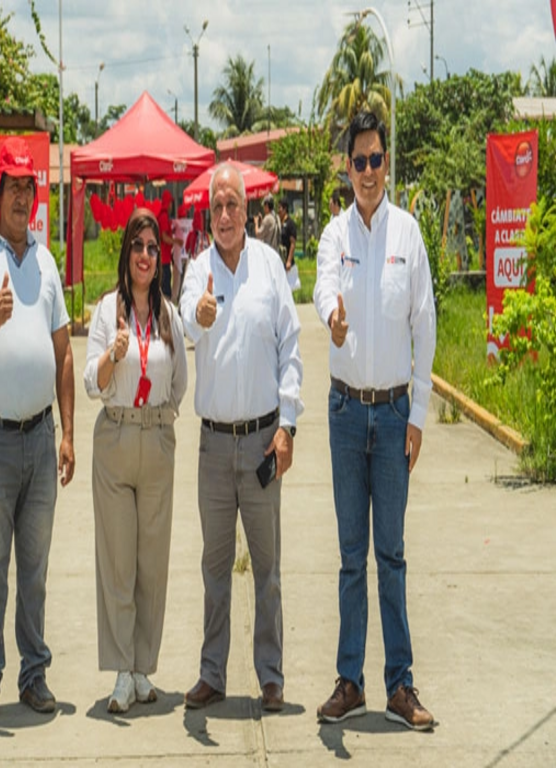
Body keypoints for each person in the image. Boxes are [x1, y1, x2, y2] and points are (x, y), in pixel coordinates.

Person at [313, 110, 437, 731]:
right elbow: (323, 291)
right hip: (342, 412)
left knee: (391, 552)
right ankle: (349, 681)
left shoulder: (408, 235)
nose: (367, 171)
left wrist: (417, 412)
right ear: (348, 167)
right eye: (358, 161)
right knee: (350, 555)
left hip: (391, 418)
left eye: (376, 160)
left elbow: (426, 325)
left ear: (389, 164)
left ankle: (401, 685)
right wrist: (332, 319)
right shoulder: (335, 235)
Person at [0, 136, 76, 721]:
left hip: (40, 435)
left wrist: (68, 433)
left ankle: (34, 675)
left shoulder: (47, 262)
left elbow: (64, 354)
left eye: (31, 187)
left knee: (36, 566)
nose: (23, 197)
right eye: (14, 187)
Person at [179, 162, 303, 713]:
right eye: (217, 207)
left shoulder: (270, 266)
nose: (225, 215)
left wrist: (288, 426)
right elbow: (183, 321)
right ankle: (213, 673)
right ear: (209, 215)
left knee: (268, 568)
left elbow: (290, 350)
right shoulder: (196, 269)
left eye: (233, 204)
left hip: (260, 442)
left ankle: (271, 675)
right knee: (214, 567)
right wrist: (200, 315)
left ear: (247, 210)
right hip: (212, 446)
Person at [84, 207, 188, 714]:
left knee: (152, 563)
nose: (145, 256)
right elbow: (90, 382)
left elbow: (181, 380)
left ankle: (144, 666)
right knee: (118, 561)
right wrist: (112, 355)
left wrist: (164, 420)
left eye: (153, 248)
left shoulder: (169, 314)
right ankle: (122, 670)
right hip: (116, 438)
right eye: (137, 246)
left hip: (156, 439)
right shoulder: (107, 311)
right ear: (125, 254)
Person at [157, 189, 175, 299]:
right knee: (166, 288)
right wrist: (176, 241)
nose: (172, 206)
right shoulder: (163, 217)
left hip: (164, 257)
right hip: (164, 259)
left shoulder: (162, 215)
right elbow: (164, 237)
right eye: (171, 203)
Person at [278, 198, 297, 271]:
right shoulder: (280, 223)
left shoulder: (290, 223)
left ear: (285, 209)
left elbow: (293, 243)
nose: (278, 210)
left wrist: (289, 260)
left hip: (287, 260)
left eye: (280, 208)